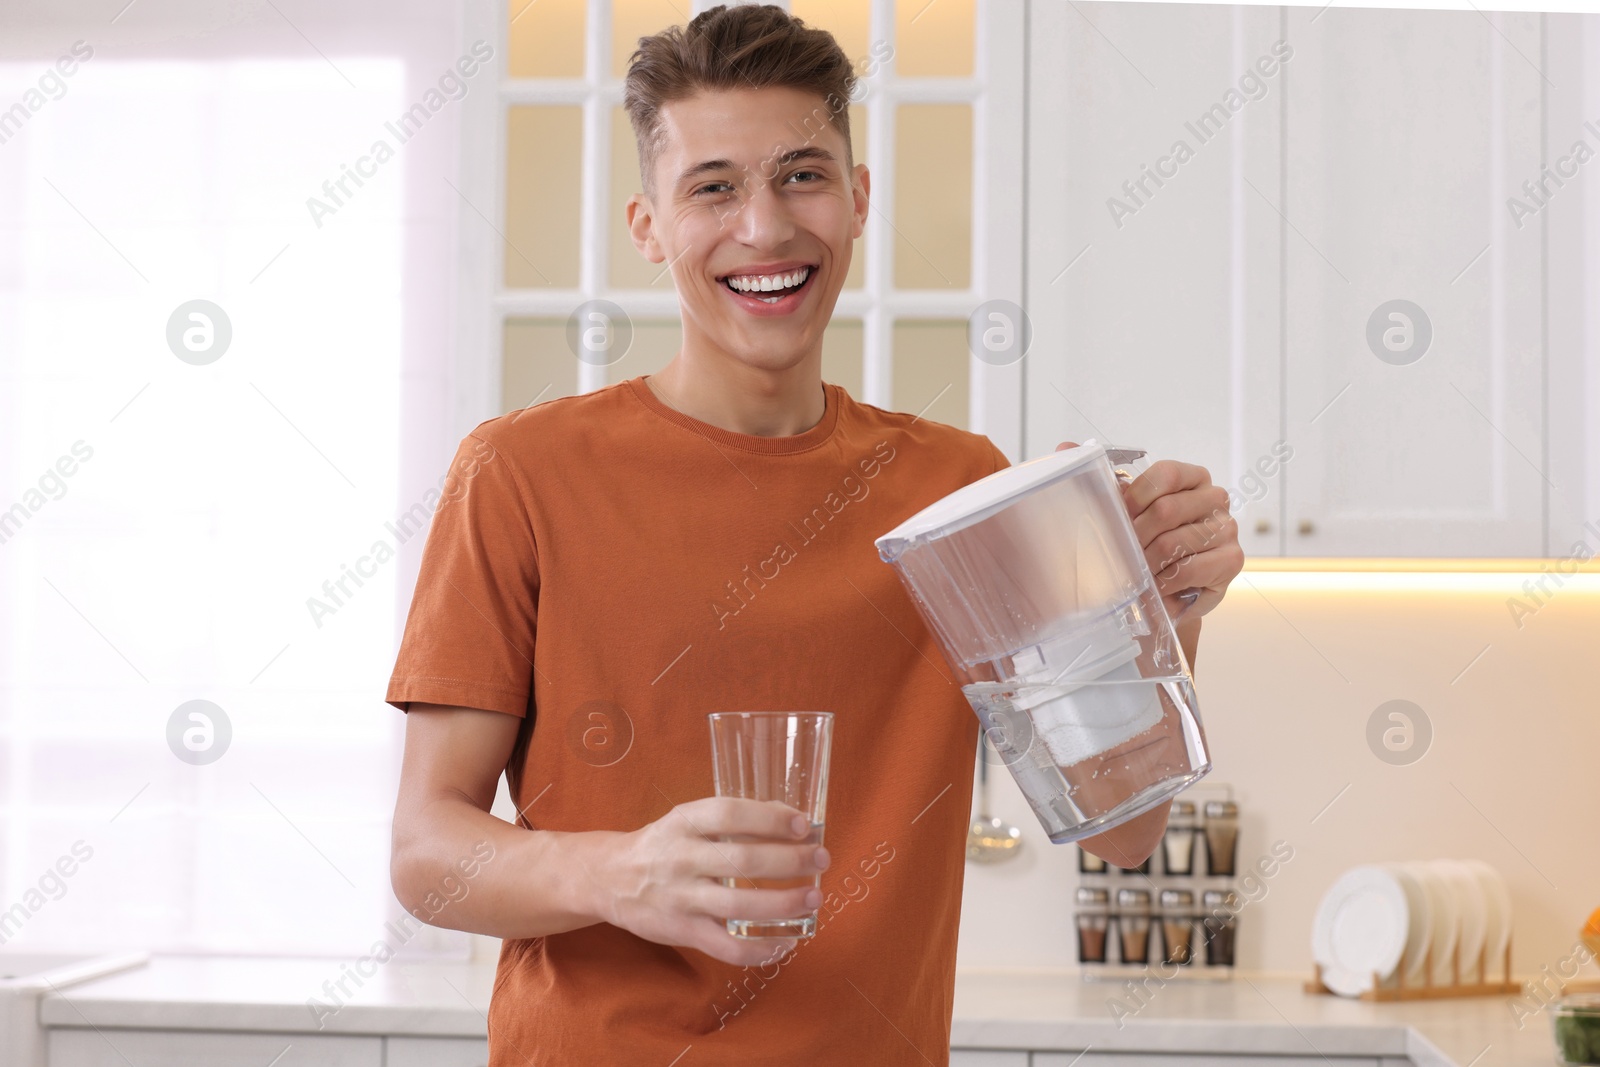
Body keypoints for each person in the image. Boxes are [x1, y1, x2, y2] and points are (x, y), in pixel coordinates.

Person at [386, 5, 1243, 1064]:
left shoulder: (960, 493)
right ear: (648, 225)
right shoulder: (518, 473)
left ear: (856, 197)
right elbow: (427, 852)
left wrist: (1163, 603)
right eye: (713, 186)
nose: (765, 226)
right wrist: (622, 872)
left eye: (802, 174)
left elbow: (1122, 827)